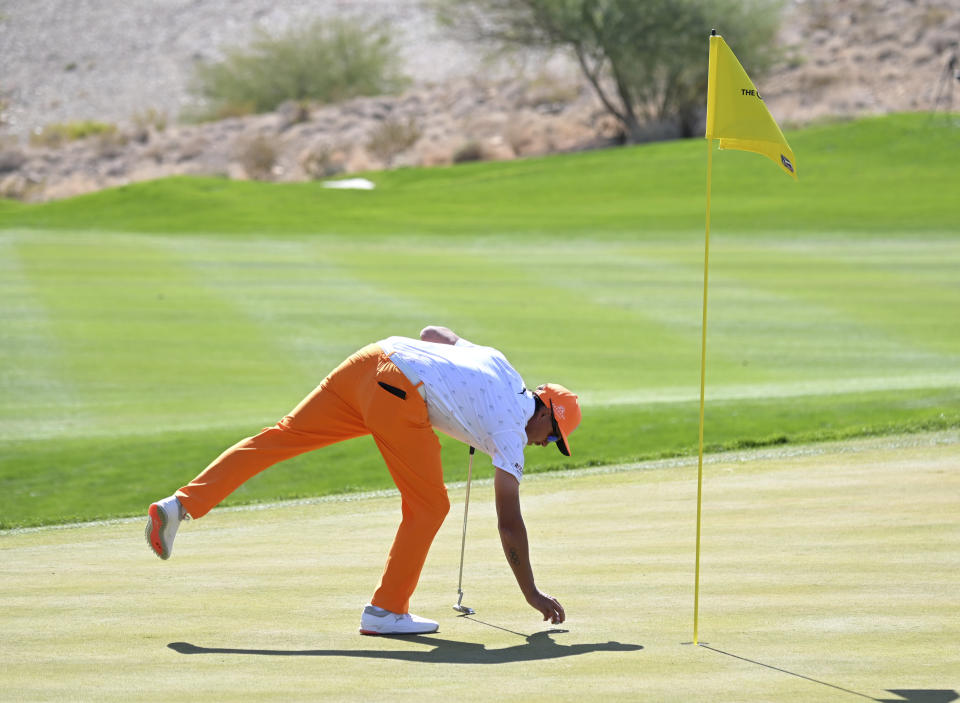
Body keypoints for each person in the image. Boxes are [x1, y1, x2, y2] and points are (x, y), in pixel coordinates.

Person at [145, 325, 581, 635]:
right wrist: (532, 592)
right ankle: (386, 610)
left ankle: (180, 505)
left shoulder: (500, 364)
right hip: (399, 392)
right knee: (430, 506)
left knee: (281, 437)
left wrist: (460, 392)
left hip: (368, 362)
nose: (546, 444)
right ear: (544, 411)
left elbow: (434, 333)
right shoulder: (511, 429)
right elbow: (509, 522)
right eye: (554, 435)